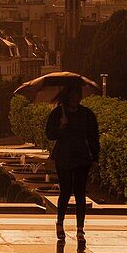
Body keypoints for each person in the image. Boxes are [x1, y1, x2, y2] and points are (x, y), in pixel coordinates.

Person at [44, 81, 100, 242]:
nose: (76, 96)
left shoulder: (87, 114)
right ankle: (60, 223)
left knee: (80, 193)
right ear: (67, 95)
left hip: (82, 157)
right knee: (66, 191)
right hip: (64, 156)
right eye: (73, 93)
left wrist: (95, 158)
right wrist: (61, 127)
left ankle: (80, 229)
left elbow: (93, 137)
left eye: (78, 93)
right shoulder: (57, 114)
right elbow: (50, 134)